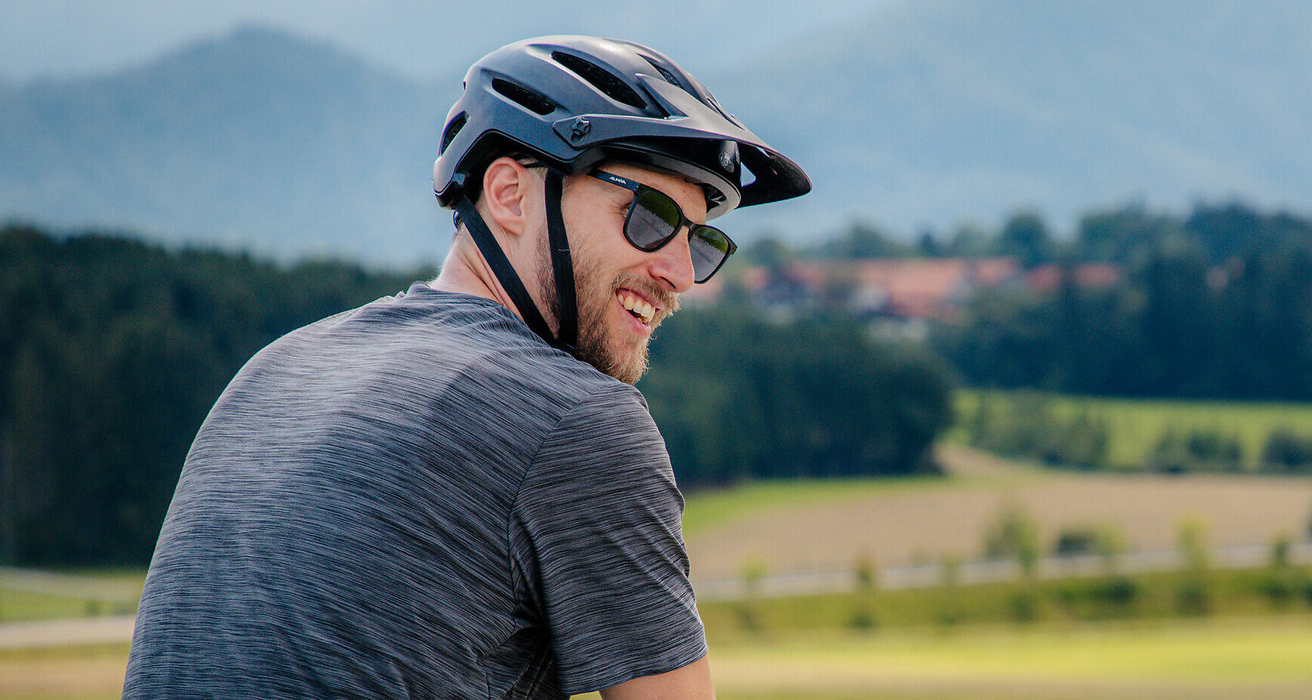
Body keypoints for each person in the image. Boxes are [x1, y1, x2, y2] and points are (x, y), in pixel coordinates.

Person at [123, 35, 808, 698]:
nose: (681, 273)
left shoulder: (272, 375)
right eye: (650, 214)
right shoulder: (575, 420)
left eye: (703, 239)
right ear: (509, 194)